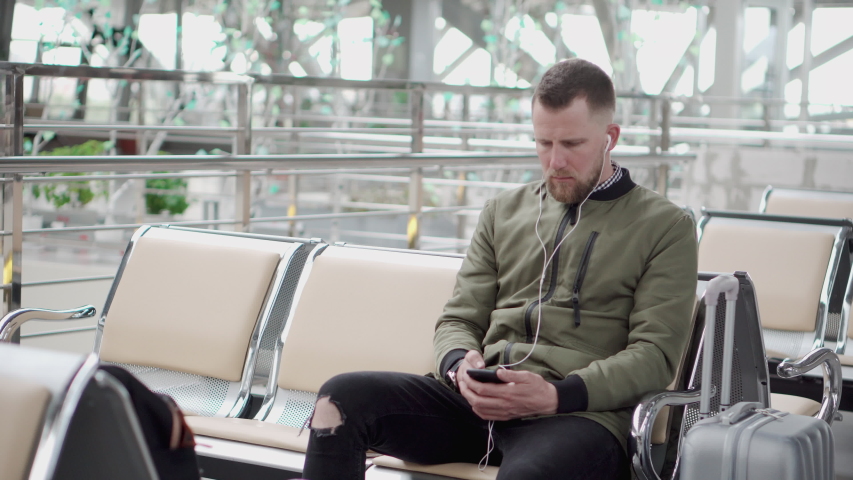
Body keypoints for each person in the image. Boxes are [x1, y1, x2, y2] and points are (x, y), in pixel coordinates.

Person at [301, 58, 698, 480]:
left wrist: (556, 395)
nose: (555, 161)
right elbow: (458, 319)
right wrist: (459, 366)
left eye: (572, 144)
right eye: (544, 143)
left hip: (577, 417)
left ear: (610, 137)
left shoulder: (665, 226)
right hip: (476, 406)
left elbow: (654, 356)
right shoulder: (503, 212)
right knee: (341, 400)